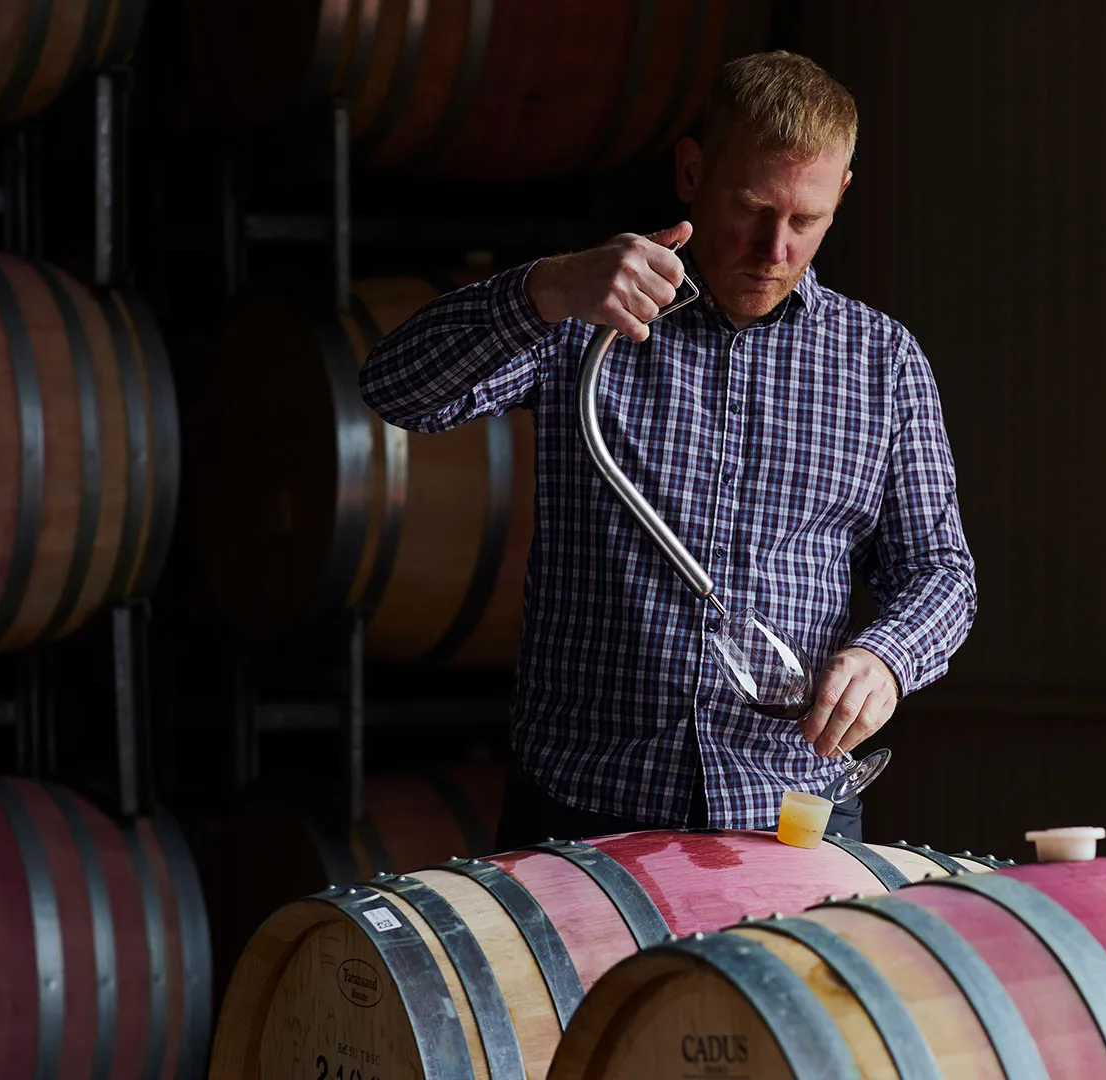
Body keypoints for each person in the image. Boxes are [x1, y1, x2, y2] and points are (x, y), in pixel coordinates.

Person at [359, 50, 976, 849]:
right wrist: (539, 291)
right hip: (585, 805)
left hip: (790, 816)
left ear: (842, 195)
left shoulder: (883, 361)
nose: (774, 249)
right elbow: (395, 389)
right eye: (752, 208)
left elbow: (941, 574)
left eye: (806, 221)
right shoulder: (586, 312)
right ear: (691, 171)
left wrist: (885, 661)